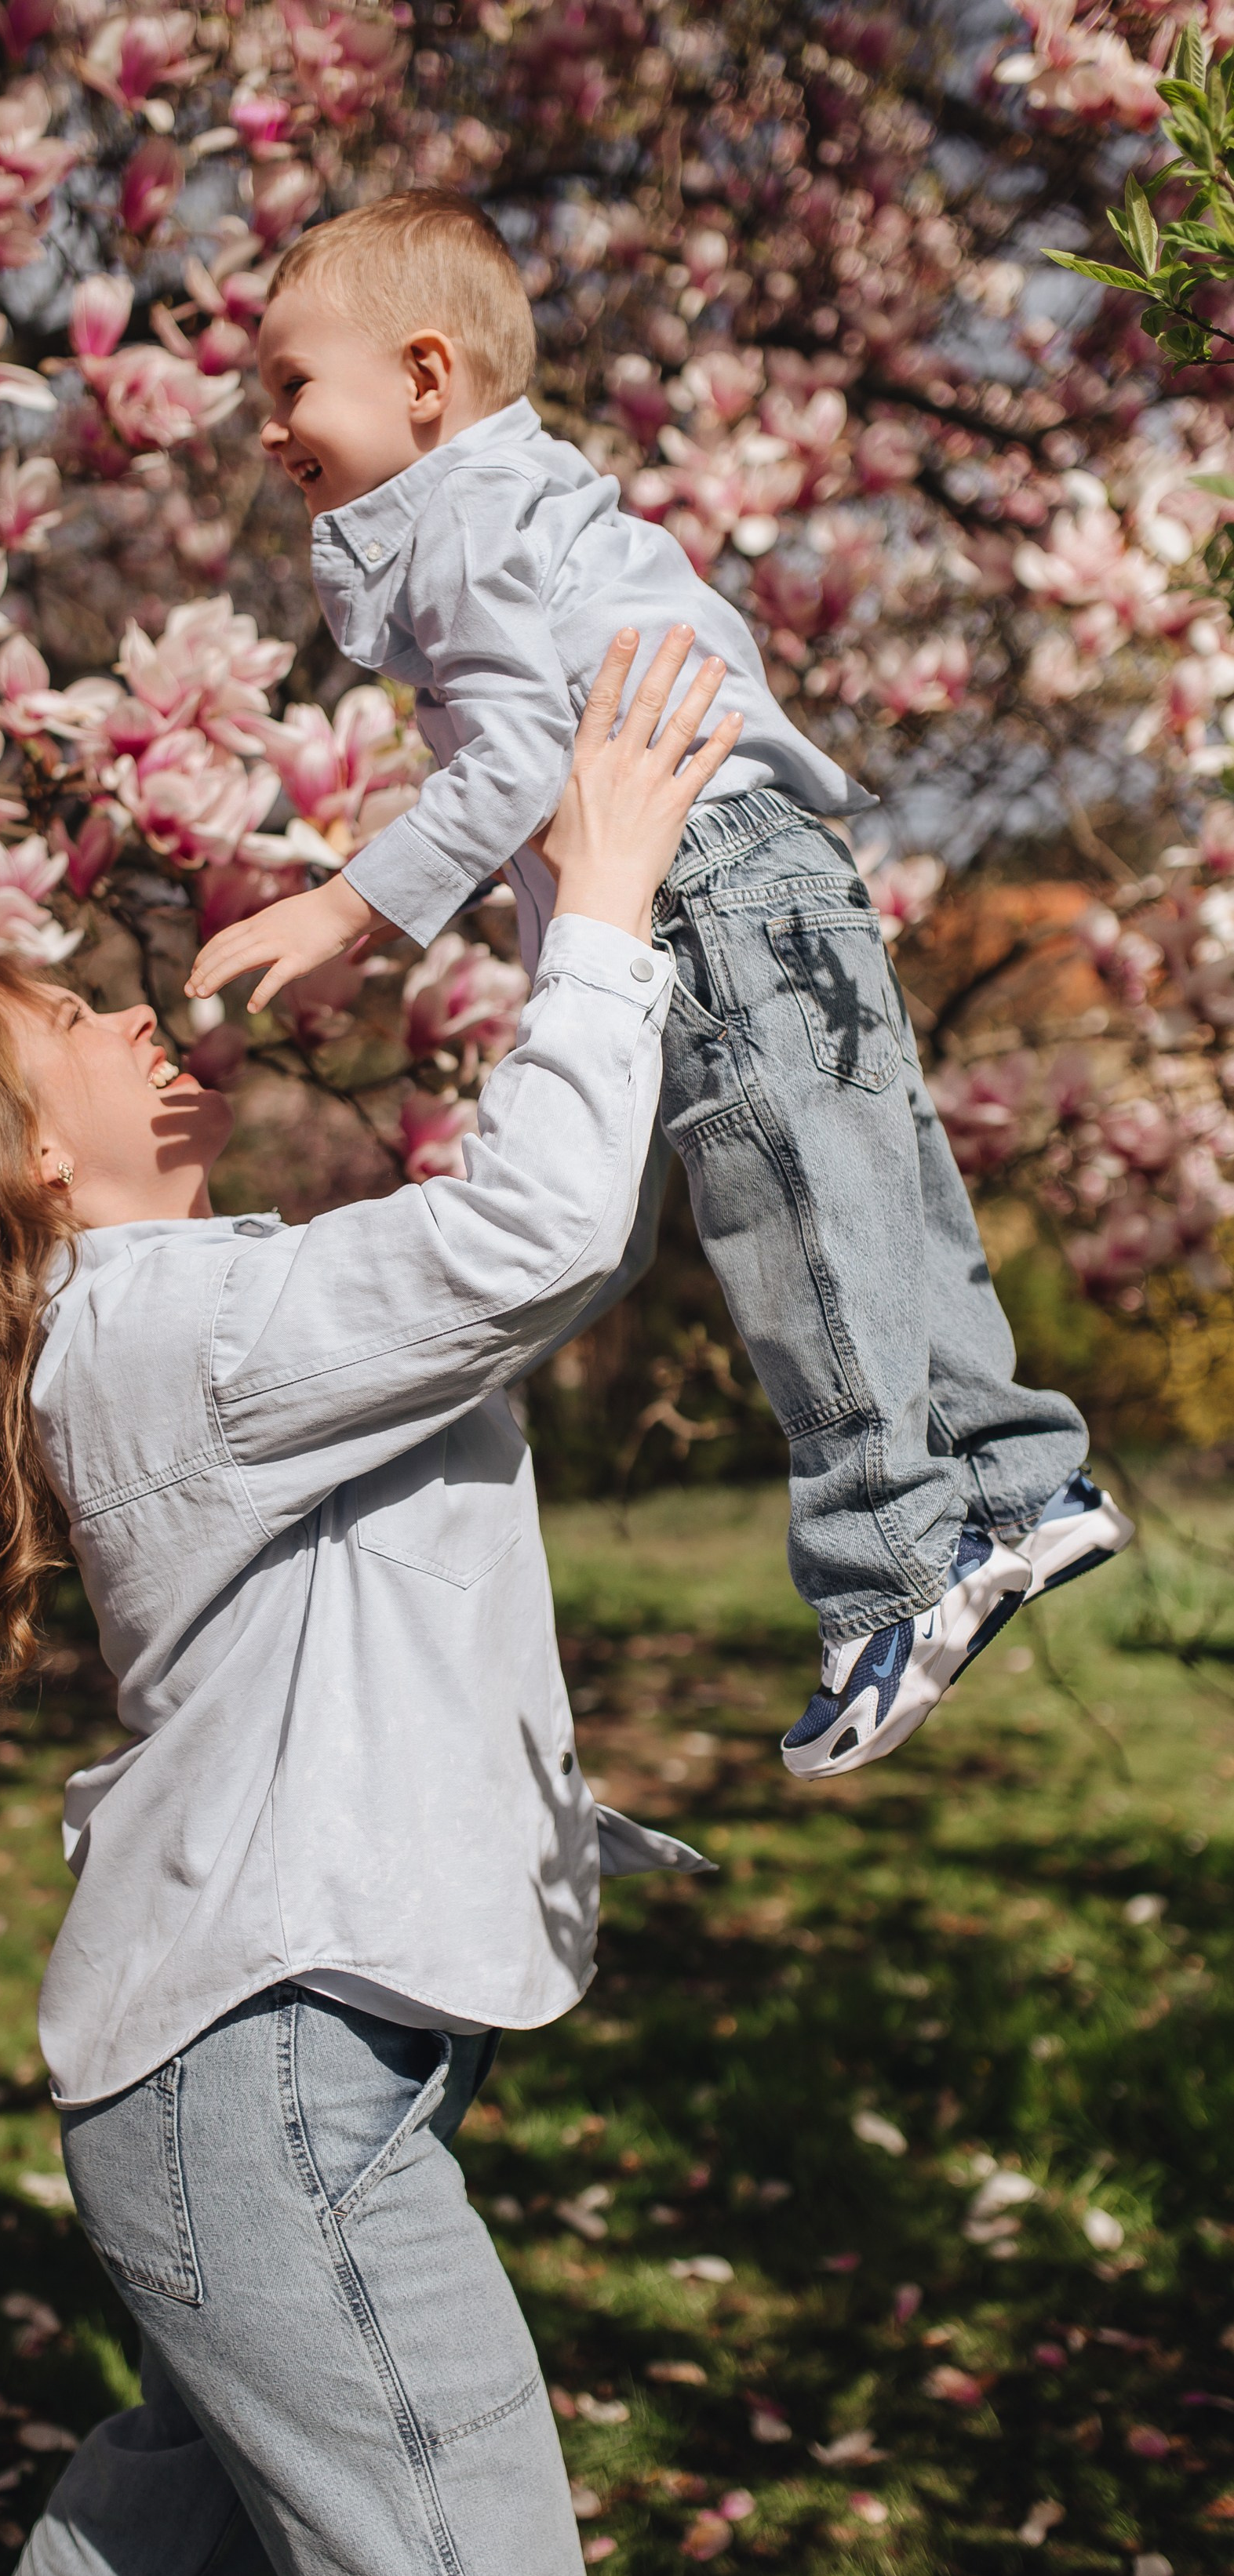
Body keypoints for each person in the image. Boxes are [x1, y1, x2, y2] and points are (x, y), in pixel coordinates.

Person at [0, 630, 733, 2576]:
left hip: (270, 2074)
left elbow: (466, 1264)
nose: (142, 1005)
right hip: (266, 2085)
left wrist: (492, 889)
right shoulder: (164, 1339)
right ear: (31, 1162)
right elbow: (523, 1234)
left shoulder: (205, 1314)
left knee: (166, 2562)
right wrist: (593, 903)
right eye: (78, 1017)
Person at [186, 189, 1131, 1782]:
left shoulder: (456, 522)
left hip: (699, 870)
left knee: (790, 1211)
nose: (262, 426)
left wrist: (353, 910)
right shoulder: (540, 500)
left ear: (423, 376)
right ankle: (1012, 1478)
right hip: (780, 857)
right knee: (881, 1185)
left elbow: (522, 760)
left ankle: (897, 1564)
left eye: (288, 386)